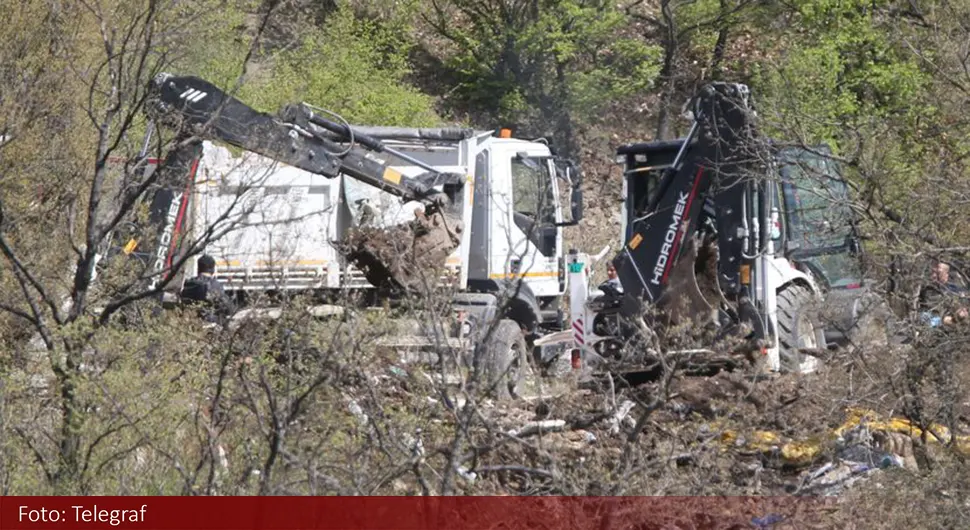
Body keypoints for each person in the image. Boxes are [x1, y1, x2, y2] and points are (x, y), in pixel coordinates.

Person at [180, 254, 236, 325]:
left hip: (189, 322)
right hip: (209, 324)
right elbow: (229, 309)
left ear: (198, 268)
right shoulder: (215, 285)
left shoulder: (189, 283)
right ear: (212, 269)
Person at [919, 260, 968, 327]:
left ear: (946, 274)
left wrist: (961, 315)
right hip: (931, 332)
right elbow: (921, 317)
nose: (933, 275)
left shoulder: (956, 291)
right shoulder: (924, 291)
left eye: (938, 273)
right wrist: (942, 321)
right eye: (933, 272)